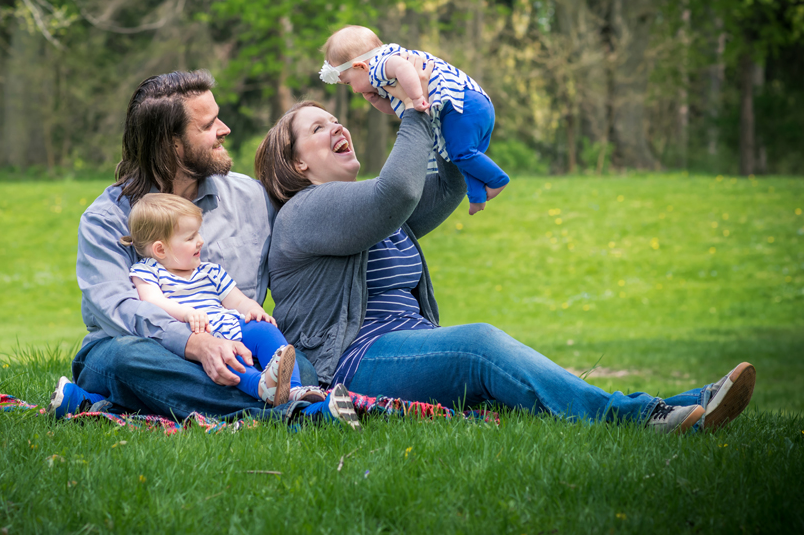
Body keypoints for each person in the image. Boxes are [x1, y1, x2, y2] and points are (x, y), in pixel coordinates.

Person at [255, 94, 756, 433]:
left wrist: (452, 105)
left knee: (520, 379)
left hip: (406, 349)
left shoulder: (363, 212)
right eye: (318, 128)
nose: (337, 125)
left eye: (334, 118)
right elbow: (401, 190)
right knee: (480, 345)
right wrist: (412, 108)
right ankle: (643, 418)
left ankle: (687, 404)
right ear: (298, 164)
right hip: (354, 365)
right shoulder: (305, 212)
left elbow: (445, 185)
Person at [49, 69, 358, 426]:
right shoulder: (106, 218)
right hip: (144, 351)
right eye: (209, 125)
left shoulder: (252, 198)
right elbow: (118, 309)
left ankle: (113, 406)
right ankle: (295, 414)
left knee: (296, 362)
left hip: (237, 346)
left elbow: (304, 254)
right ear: (172, 144)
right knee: (125, 360)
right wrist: (194, 344)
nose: (224, 129)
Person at [123, 193, 326, 406]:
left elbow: (236, 301)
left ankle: (291, 388)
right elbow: (152, 301)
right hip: (199, 335)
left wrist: (253, 308)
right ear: (160, 249)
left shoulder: (210, 271)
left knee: (266, 331)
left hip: (229, 323)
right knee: (226, 357)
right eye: (190, 237)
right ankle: (260, 385)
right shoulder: (147, 271)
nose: (200, 241)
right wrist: (186, 313)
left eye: (198, 233)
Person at [320, 25, 509, 215]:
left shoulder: (379, 65)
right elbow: (397, 107)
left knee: (461, 153)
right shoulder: (385, 74)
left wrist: (417, 98)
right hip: (470, 104)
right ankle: (477, 196)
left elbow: (405, 68)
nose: (353, 90)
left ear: (360, 66)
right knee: (462, 157)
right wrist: (378, 100)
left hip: (461, 103)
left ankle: (498, 179)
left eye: (348, 82)